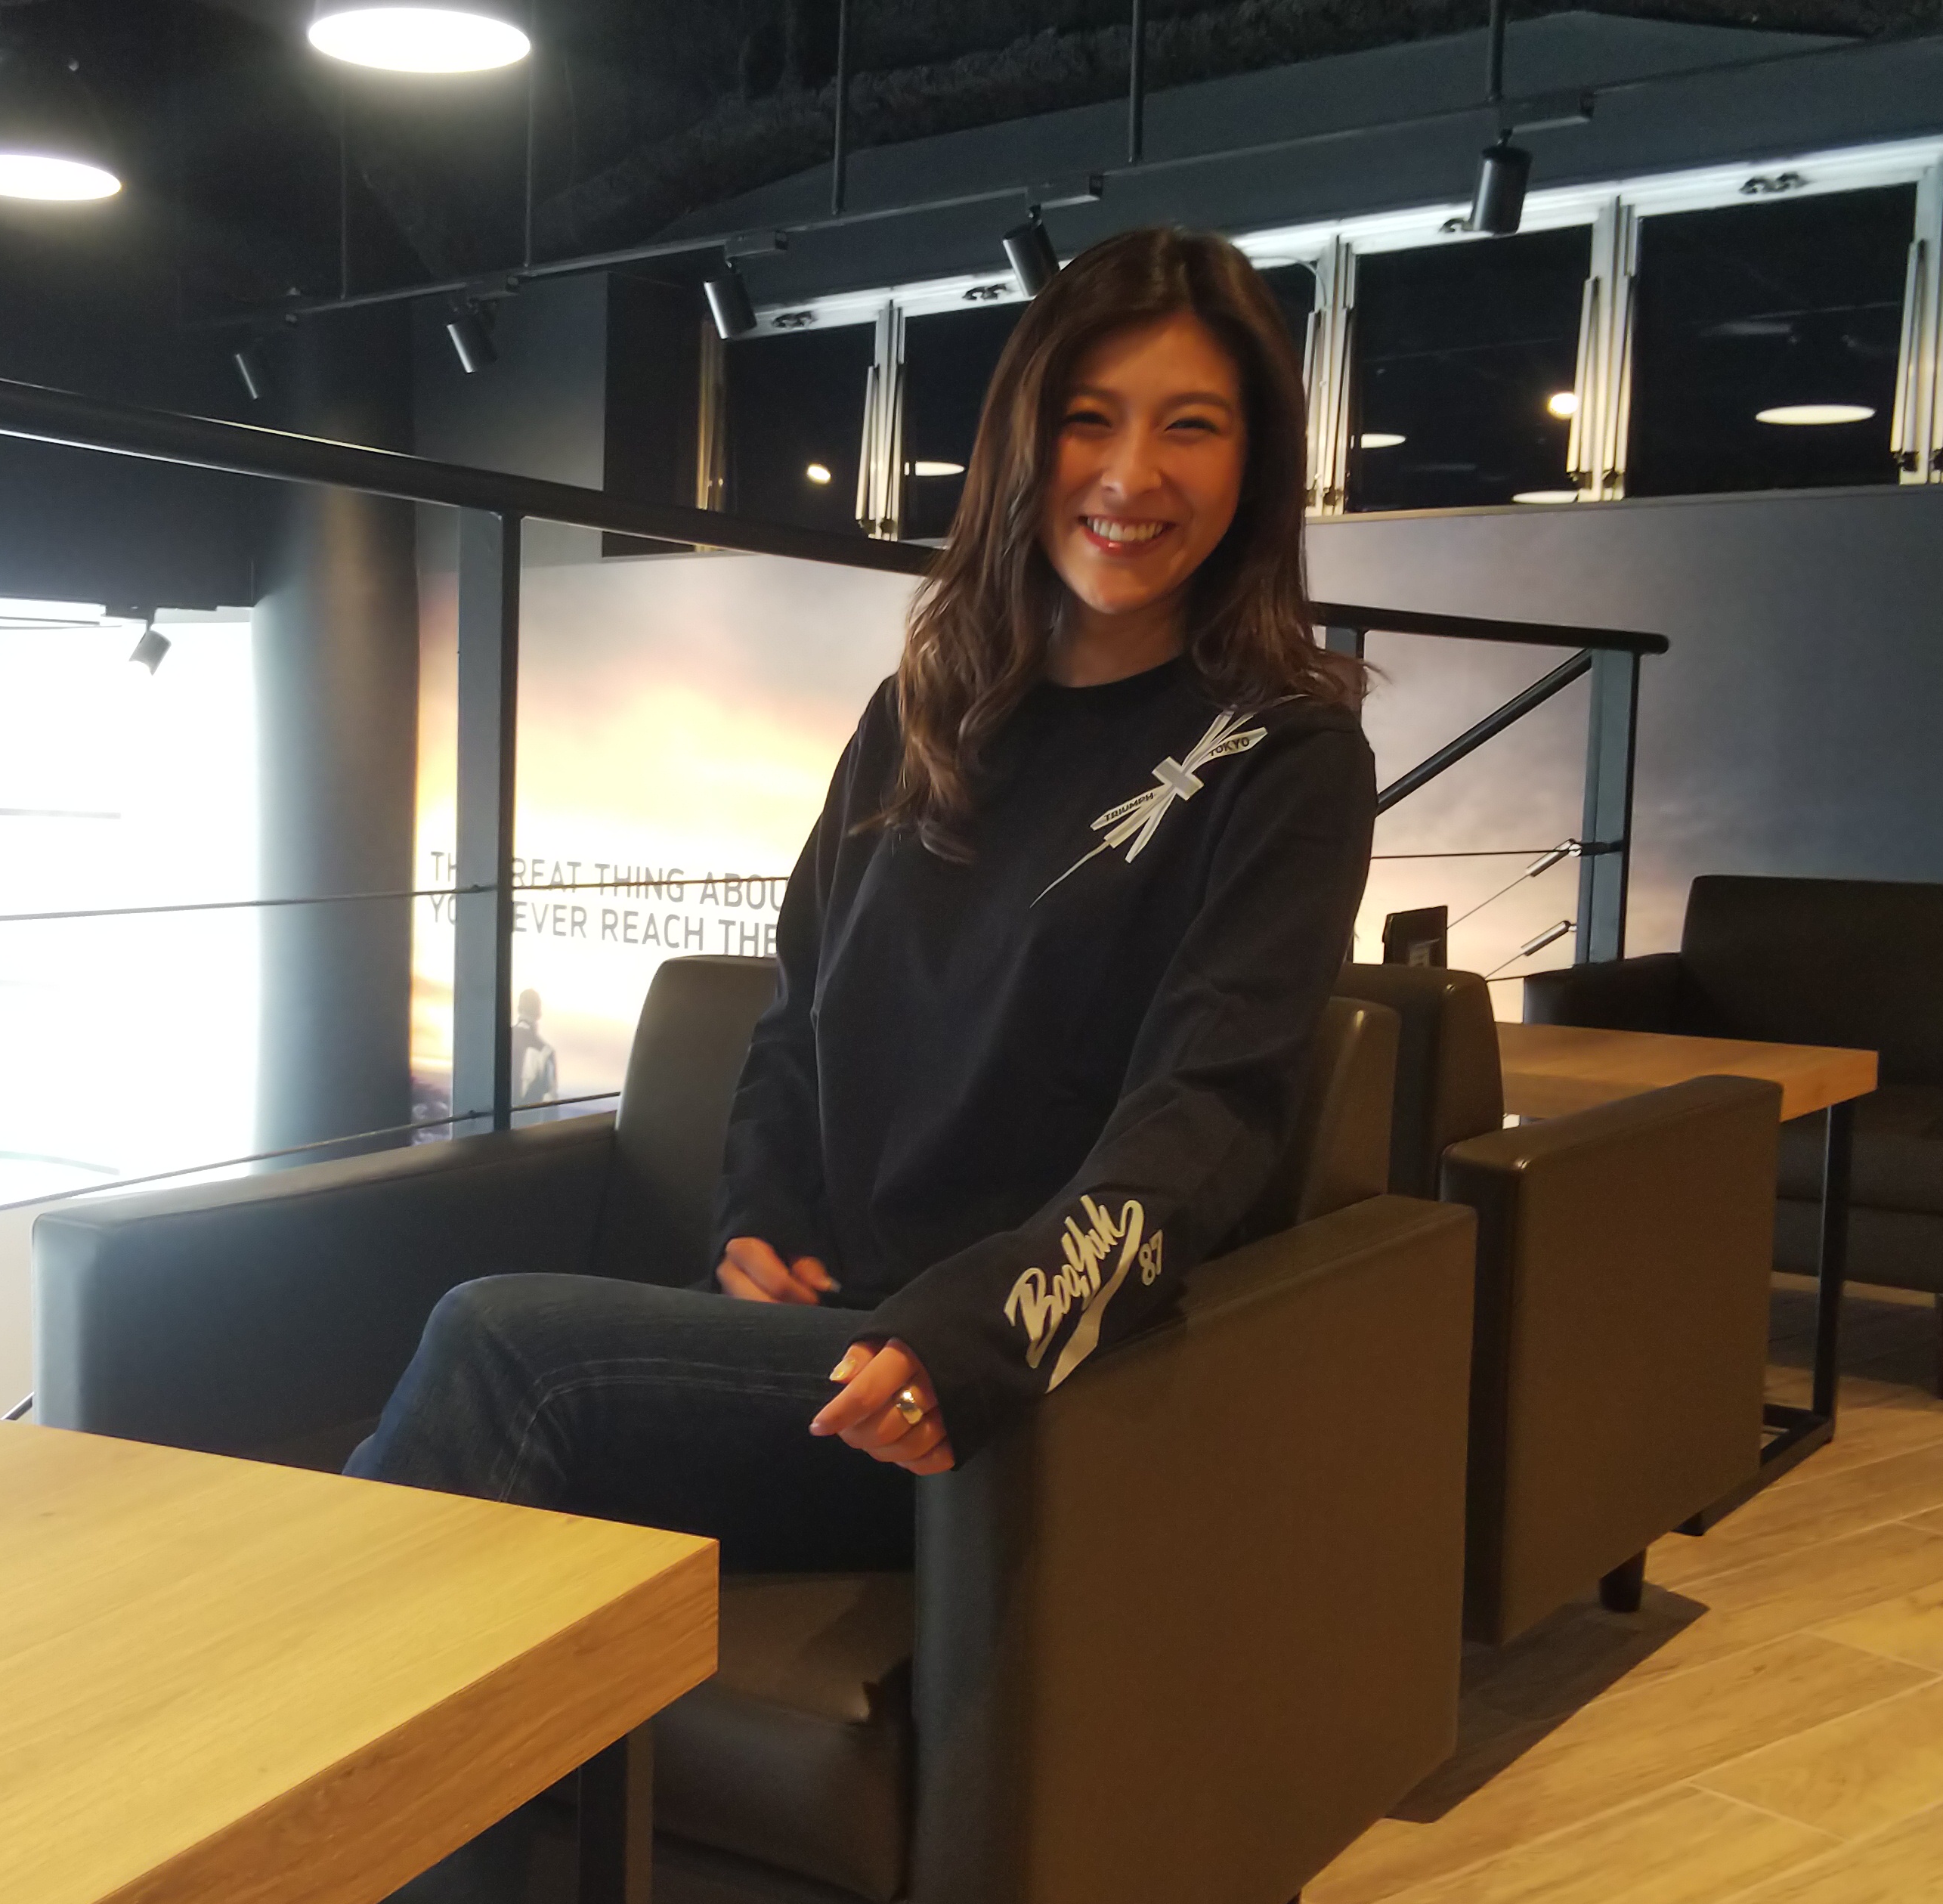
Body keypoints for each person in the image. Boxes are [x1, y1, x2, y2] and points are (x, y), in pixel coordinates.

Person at [342, 226, 1375, 1574]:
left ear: (1255, 463)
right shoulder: (921, 714)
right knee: (452, 1447)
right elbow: (797, 1012)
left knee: (499, 1350)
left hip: (985, 1382)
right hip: (819, 1334)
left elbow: (1209, 1114)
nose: (1132, 474)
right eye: (1089, 419)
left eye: (1192, 426)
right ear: (1023, 441)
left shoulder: (1282, 753)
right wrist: (754, 1216)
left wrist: (980, 1333)